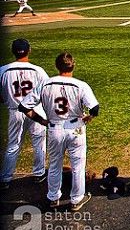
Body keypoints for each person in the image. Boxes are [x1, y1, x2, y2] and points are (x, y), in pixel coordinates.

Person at [19, 52, 99, 211]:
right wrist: (89, 117)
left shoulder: (45, 84)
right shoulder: (80, 85)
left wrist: (41, 121)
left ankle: (53, 198)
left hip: (54, 128)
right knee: (78, 166)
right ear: (73, 65)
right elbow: (95, 108)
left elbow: (23, 107)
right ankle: (76, 200)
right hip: (76, 128)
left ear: (57, 66)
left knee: (55, 165)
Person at [0, 39, 49, 190]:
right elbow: (47, 92)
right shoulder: (37, 70)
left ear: (13, 51)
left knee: (13, 145)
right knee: (39, 144)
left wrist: (7, 101)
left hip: (15, 111)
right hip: (36, 111)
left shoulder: (3, 70)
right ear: (29, 50)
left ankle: (6, 178)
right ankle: (39, 173)